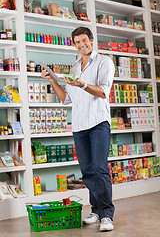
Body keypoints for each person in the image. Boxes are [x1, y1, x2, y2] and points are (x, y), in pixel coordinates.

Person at [42, 27, 115, 232]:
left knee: (100, 169)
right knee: (88, 171)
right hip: (80, 125)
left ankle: (107, 215)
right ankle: (96, 210)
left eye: (84, 40)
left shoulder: (104, 62)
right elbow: (67, 98)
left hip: (99, 123)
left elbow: (103, 92)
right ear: (74, 44)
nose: (82, 45)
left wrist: (83, 85)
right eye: (78, 42)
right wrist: (51, 80)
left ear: (92, 40)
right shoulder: (74, 68)